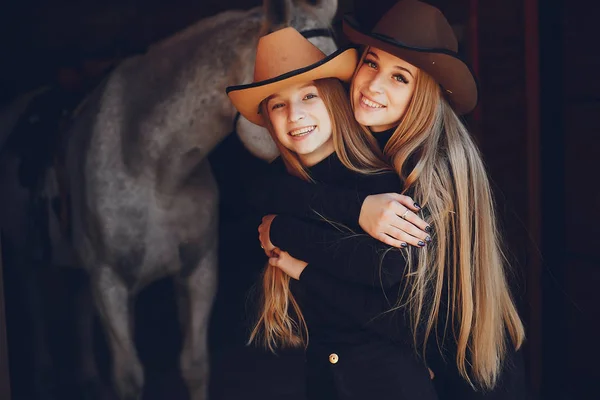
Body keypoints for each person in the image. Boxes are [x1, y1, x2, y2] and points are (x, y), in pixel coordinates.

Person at [256, 1, 528, 399]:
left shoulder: (431, 166)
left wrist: (285, 236)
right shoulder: (371, 144)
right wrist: (356, 210)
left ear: (425, 93)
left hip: (465, 369)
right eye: (371, 63)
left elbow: (386, 268)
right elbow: (272, 186)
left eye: (400, 77)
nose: (374, 85)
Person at [227, 27, 438, 399]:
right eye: (278, 104)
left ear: (333, 100)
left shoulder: (379, 184)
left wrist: (301, 265)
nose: (295, 115)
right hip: (325, 381)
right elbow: (259, 193)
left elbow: (392, 295)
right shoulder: (280, 191)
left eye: (309, 96)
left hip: (388, 385)